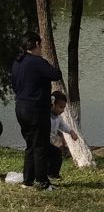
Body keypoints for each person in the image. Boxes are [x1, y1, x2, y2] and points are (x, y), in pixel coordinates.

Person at [10, 36, 63, 191]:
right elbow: (56, 74)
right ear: (37, 44)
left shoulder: (17, 62)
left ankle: (28, 181)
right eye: (41, 45)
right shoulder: (37, 62)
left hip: (21, 108)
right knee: (40, 145)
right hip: (36, 110)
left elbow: (14, 85)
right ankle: (43, 181)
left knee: (30, 145)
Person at [43, 91, 80, 183]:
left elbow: (63, 125)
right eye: (60, 107)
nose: (62, 110)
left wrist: (71, 132)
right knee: (54, 154)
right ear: (52, 105)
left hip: (50, 142)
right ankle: (50, 174)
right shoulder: (45, 115)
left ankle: (51, 174)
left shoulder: (58, 117)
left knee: (55, 155)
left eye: (63, 107)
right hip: (43, 141)